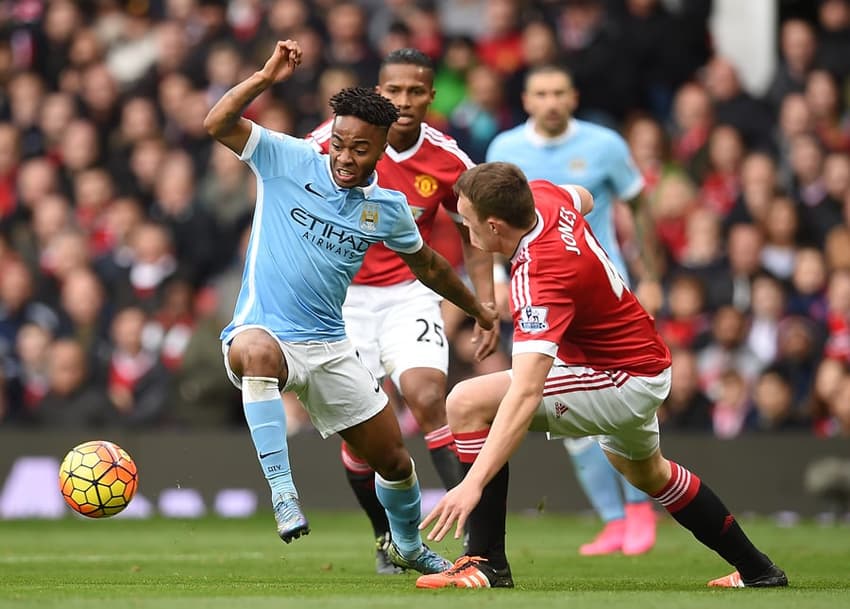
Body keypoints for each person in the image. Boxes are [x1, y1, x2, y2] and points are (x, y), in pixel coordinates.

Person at [414, 163, 788, 590]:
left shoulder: (541, 277)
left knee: (466, 401)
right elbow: (584, 198)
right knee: (651, 474)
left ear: (496, 226)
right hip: (641, 361)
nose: (463, 225)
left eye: (467, 218)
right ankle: (759, 570)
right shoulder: (543, 197)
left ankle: (486, 563)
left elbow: (525, 391)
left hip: (619, 377)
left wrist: (472, 483)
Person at [203, 40, 497, 575]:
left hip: (331, 348)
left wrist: (479, 307)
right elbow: (218, 122)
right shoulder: (288, 158)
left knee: (395, 461)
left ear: (382, 149)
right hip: (266, 334)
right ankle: (283, 492)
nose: (343, 156)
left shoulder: (387, 208)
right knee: (253, 350)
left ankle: (405, 545)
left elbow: (429, 267)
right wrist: (266, 77)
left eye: (359, 149)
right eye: (339, 144)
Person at [307, 48, 499, 574]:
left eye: (416, 91)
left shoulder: (449, 158)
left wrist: (484, 302)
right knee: (364, 431)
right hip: (339, 300)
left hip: (407, 291)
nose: (405, 101)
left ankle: (472, 539)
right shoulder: (330, 142)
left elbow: (476, 231)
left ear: (432, 96)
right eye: (394, 90)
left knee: (428, 395)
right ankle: (385, 536)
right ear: (378, 90)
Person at [486, 64, 662, 556]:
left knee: (618, 402)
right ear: (527, 100)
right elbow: (490, 215)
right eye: (541, 93)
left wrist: (650, 274)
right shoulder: (504, 149)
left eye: (559, 92)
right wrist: (500, 280)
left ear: (574, 95)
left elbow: (638, 204)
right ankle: (611, 519)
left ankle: (640, 509)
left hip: (605, 291)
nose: (551, 101)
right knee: (567, 410)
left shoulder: (605, 145)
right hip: (542, 291)